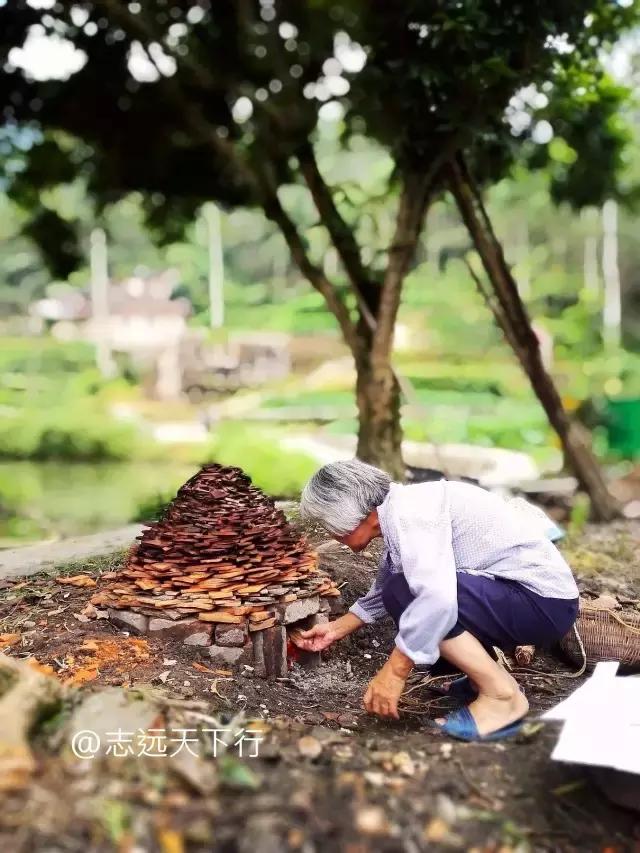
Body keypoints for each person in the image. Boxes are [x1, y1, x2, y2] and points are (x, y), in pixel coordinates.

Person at [291, 460, 579, 742]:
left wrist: (394, 672)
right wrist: (335, 629)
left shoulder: (412, 516)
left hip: (539, 603)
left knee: (411, 593)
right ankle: (483, 677)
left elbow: (435, 598)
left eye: (329, 525)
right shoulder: (402, 508)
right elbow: (388, 586)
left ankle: (501, 695)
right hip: (529, 599)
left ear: (352, 516)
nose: (332, 535)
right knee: (400, 588)